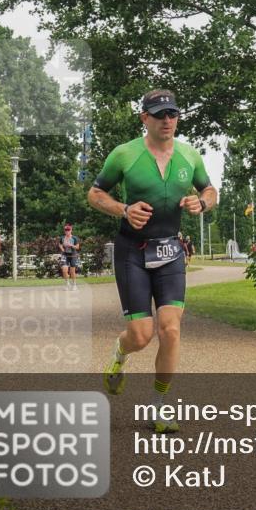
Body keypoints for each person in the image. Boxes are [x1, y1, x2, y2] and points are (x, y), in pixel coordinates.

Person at [87, 90, 216, 433]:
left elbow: (210, 191)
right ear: (144, 117)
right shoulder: (124, 154)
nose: (166, 120)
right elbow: (95, 193)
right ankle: (119, 354)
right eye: (159, 114)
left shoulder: (190, 155)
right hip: (132, 251)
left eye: (172, 114)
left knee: (171, 330)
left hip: (171, 250)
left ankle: (160, 408)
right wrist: (124, 209)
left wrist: (201, 204)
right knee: (141, 336)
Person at [58, 223, 82, 291]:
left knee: (72, 271)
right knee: (64, 270)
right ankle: (67, 284)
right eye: (66, 230)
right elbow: (60, 244)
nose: (67, 231)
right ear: (64, 231)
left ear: (71, 230)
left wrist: (71, 245)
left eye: (68, 230)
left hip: (73, 255)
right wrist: (62, 249)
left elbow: (77, 247)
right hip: (65, 255)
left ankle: (74, 285)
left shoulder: (74, 238)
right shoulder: (62, 238)